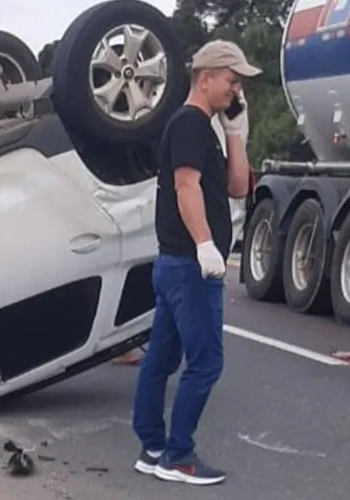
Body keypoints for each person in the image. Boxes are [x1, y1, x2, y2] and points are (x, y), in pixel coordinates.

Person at [130, 39, 259, 486]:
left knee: (162, 359)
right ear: (205, 78)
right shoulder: (188, 124)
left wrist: (236, 133)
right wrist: (205, 245)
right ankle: (178, 456)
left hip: (178, 266)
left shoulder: (205, 128)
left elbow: (237, 187)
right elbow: (186, 186)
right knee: (205, 364)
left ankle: (152, 447)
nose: (237, 91)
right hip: (190, 266)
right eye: (232, 81)